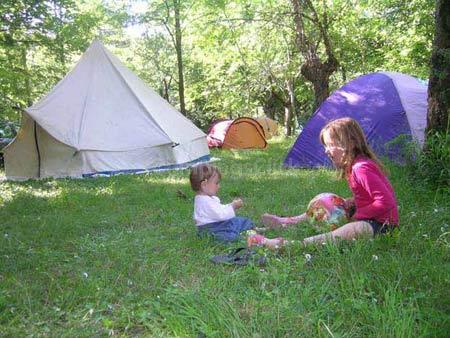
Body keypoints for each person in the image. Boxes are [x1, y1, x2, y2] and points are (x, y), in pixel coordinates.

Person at [249, 117, 399, 247]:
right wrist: (352, 202)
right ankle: (288, 222)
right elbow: (369, 196)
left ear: (351, 143)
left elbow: (385, 202)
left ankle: (290, 245)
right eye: (325, 145)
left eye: (330, 145)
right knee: (325, 203)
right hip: (368, 217)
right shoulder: (353, 167)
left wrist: (357, 215)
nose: (326, 150)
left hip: (382, 225)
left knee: (348, 231)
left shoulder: (362, 168)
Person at [190, 163, 275, 243]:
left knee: (238, 221)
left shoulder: (205, 198)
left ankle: (253, 229)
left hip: (218, 225)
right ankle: (248, 235)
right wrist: (233, 206)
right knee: (227, 236)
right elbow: (221, 215)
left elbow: (219, 210)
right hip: (213, 229)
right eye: (216, 183)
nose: (218, 186)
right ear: (204, 184)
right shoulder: (204, 202)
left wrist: (230, 205)